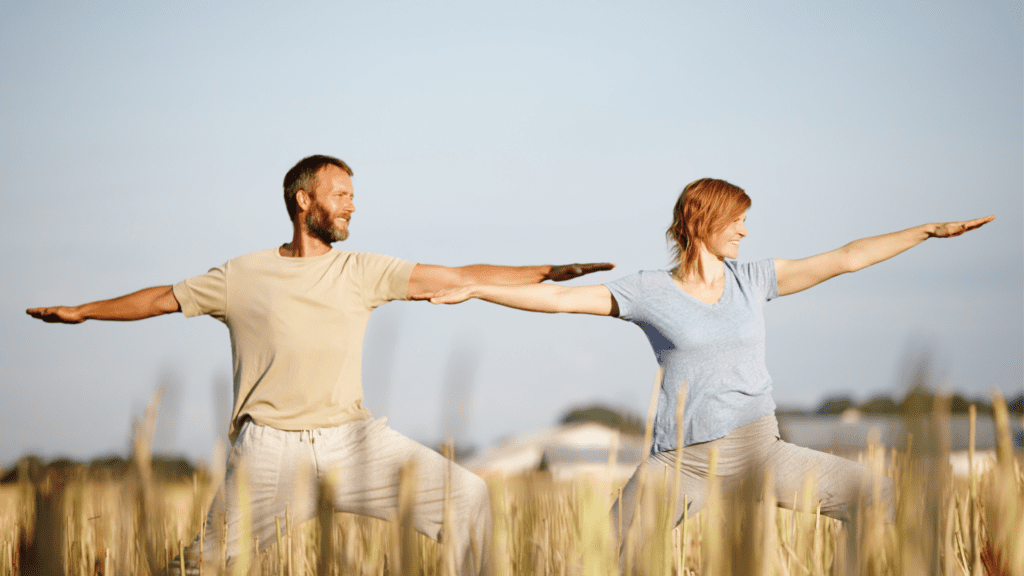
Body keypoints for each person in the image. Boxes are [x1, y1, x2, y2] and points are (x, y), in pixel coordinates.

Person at [26, 154, 614, 575]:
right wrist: (83, 311)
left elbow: (455, 276)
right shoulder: (241, 276)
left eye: (353, 196)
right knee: (199, 566)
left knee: (470, 499)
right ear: (303, 200)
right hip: (269, 455)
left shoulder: (362, 270)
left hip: (355, 444)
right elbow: (161, 298)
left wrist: (544, 271)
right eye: (341, 194)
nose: (351, 205)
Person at [418, 178, 993, 555]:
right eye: (737, 219)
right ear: (703, 221)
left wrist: (926, 232)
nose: (747, 230)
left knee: (879, 497)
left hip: (761, 452)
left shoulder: (755, 280)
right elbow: (562, 300)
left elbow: (844, 258)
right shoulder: (647, 291)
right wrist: (475, 288)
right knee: (610, 561)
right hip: (682, 464)